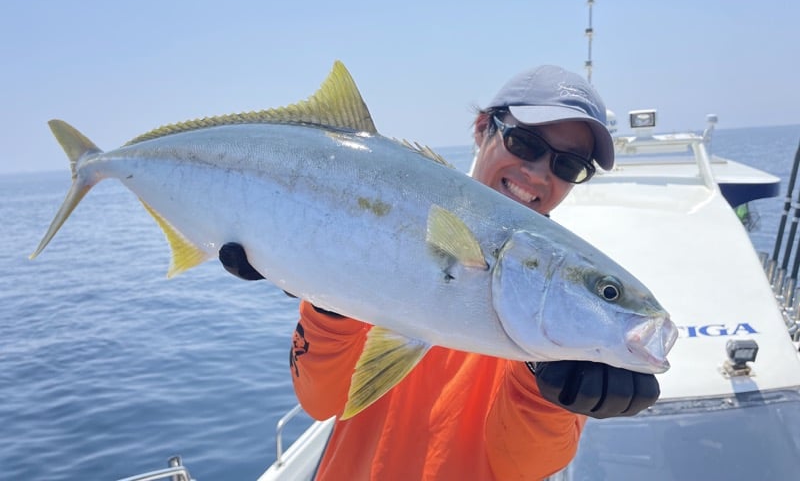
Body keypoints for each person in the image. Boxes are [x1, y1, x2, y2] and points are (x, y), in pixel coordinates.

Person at [220, 64, 660, 480]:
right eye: (525, 144)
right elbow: (321, 401)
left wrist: (550, 396)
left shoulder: (562, 315)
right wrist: (326, 304)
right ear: (482, 129)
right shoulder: (389, 228)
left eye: (568, 166)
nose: (539, 173)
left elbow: (520, 466)